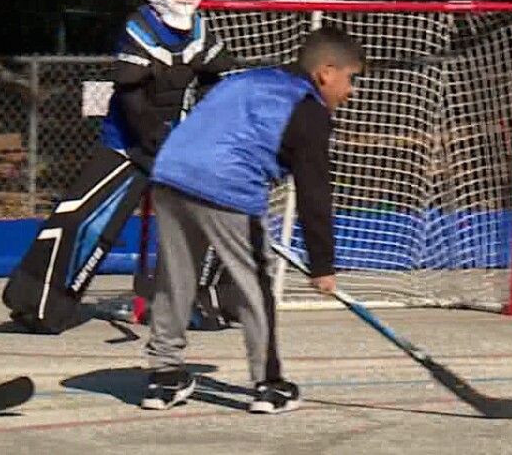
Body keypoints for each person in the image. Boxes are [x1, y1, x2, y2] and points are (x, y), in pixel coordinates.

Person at [2, 0, 238, 334]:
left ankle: (202, 303)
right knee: (83, 220)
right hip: (128, 146)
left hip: (180, 148)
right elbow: (131, 96)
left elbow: (220, 77)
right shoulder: (139, 29)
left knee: (219, 214)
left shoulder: (200, 30)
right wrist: (154, 142)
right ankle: (40, 303)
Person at [140, 25, 364, 414]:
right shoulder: (307, 108)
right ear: (326, 73)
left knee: (175, 278)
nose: (352, 91)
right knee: (255, 286)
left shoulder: (247, 80)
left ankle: (164, 377)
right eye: (351, 79)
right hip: (228, 186)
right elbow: (314, 193)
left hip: (171, 174)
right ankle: (270, 384)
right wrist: (322, 266)